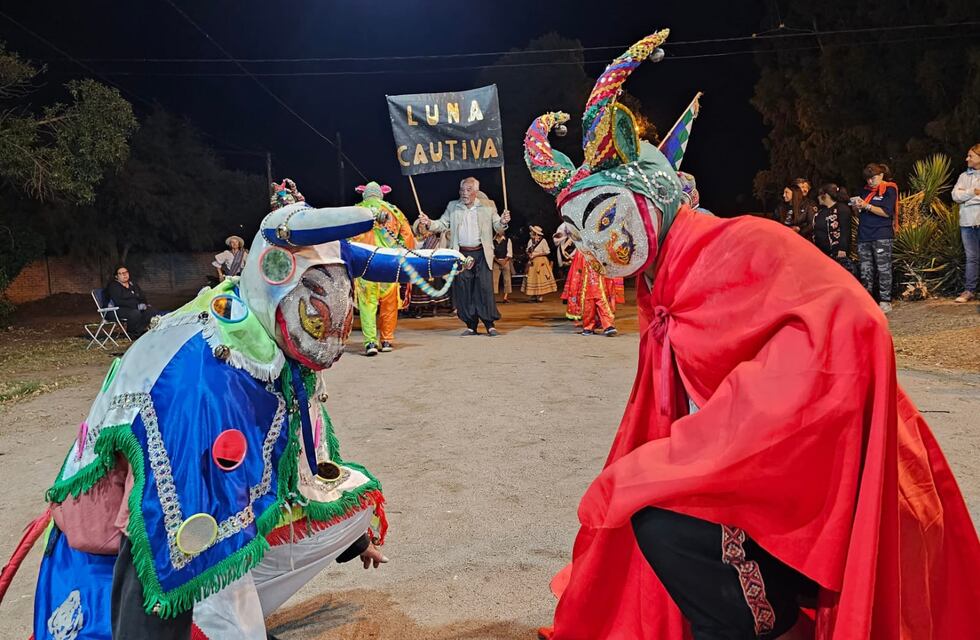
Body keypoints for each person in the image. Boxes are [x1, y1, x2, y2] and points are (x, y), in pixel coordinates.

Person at [524, 30, 979, 640]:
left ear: (650, 193)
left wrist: (731, 436)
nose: (597, 248)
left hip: (816, 469)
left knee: (659, 511)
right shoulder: (662, 282)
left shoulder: (745, 242)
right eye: (580, 237)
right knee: (655, 504)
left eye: (604, 217)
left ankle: (774, 626)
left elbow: (854, 322)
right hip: (750, 467)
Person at [10, 179, 464, 639]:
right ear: (275, 280)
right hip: (116, 545)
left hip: (210, 517)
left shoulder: (272, 351)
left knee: (350, 506)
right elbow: (150, 526)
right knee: (191, 536)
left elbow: (304, 458)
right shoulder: (204, 373)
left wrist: (357, 542)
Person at [417, 176, 511, 336]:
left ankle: (490, 325)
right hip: (461, 254)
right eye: (462, 190)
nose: (464, 193)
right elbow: (441, 224)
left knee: (484, 288)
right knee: (464, 289)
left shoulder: (488, 206)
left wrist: (502, 221)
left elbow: (498, 226)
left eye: (468, 190)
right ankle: (471, 325)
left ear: (476, 192)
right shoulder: (453, 206)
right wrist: (428, 222)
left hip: (482, 253)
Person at [351, 181, 416, 356]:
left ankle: (370, 342)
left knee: (367, 304)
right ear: (382, 194)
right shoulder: (394, 211)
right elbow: (408, 235)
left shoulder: (356, 211)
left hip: (365, 264)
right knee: (389, 303)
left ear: (364, 194)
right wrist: (402, 251)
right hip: (388, 264)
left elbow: (346, 236)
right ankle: (386, 339)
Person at [852, 162, 899, 313]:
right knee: (866, 269)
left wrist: (867, 206)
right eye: (867, 179)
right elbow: (860, 213)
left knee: (883, 268)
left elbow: (886, 212)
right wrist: (857, 207)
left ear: (881, 175)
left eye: (872, 178)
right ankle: (868, 301)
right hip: (864, 235)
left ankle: (885, 301)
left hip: (881, 235)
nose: (870, 182)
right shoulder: (864, 191)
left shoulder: (890, 189)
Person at [951, 142, 980, 303]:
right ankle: (969, 290)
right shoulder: (964, 176)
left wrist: (967, 199)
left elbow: (963, 198)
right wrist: (973, 192)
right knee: (971, 257)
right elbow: (955, 196)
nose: (966, 158)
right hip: (968, 224)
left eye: (971, 156)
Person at [813, 183, 854, 273]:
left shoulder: (842, 209)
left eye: (820, 195)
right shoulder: (821, 212)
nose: (818, 197)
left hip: (837, 252)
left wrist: (842, 249)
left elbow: (845, 230)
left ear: (826, 195)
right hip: (823, 253)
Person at [105, 264, 154, 336]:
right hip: (115, 310)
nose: (124, 275)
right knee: (135, 313)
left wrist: (144, 304)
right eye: (121, 273)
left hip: (131, 308)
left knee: (150, 310)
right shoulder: (113, 286)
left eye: (126, 272)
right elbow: (118, 301)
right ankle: (132, 333)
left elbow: (141, 296)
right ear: (116, 276)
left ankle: (138, 331)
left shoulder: (133, 284)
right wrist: (136, 305)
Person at [522, 225, 558, 302]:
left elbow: (547, 251)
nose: (530, 233)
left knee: (540, 278)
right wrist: (529, 255)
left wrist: (537, 254)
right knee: (532, 278)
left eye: (532, 232)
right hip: (532, 262)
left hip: (540, 261)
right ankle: (534, 295)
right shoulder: (530, 241)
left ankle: (540, 295)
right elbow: (527, 250)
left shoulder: (543, 241)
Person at [492, 230, 513, 303]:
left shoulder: (507, 240)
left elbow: (509, 252)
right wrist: (497, 260)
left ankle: (505, 297)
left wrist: (504, 261)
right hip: (496, 261)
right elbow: (491, 253)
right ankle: (493, 297)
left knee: (507, 279)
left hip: (505, 261)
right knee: (494, 280)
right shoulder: (493, 240)